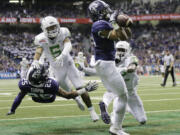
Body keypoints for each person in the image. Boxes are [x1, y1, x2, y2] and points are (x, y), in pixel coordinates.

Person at [31, 16, 99, 122]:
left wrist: (61, 56)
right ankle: (76, 99)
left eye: (54, 27)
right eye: (49, 28)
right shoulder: (41, 38)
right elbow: (38, 51)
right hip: (56, 68)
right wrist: (35, 61)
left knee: (79, 86)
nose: (53, 30)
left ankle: (91, 110)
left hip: (68, 63)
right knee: (64, 90)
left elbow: (68, 45)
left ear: (58, 25)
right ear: (44, 29)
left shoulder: (63, 32)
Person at [88, 1, 132, 135]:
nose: (108, 12)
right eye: (105, 10)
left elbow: (125, 37)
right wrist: (115, 22)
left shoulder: (104, 23)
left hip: (106, 64)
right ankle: (116, 128)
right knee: (123, 95)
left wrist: (123, 24)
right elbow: (114, 35)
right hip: (105, 64)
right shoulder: (98, 25)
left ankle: (115, 125)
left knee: (118, 93)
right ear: (99, 12)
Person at [7, 64, 98, 115]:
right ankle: (77, 98)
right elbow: (67, 96)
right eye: (43, 74)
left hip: (36, 98)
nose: (45, 74)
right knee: (58, 81)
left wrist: (12, 109)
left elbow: (19, 97)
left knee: (24, 93)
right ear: (39, 79)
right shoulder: (51, 84)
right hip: (49, 97)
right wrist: (85, 89)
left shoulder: (24, 84)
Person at [99, 41, 147, 125]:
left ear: (128, 50)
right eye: (118, 49)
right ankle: (107, 107)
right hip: (121, 89)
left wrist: (127, 69)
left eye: (122, 50)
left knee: (142, 119)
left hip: (131, 91)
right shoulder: (112, 60)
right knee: (116, 113)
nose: (120, 52)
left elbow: (132, 66)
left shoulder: (130, 58)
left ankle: (108, 104)